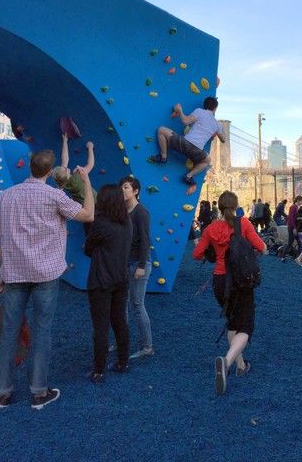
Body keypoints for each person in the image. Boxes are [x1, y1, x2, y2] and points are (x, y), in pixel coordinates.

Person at [0, 150, 94, 410]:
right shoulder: (55, 196)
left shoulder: (6, 196)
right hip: (45, 274)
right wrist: (87, 182)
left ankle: (2, 392)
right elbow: (88, 215)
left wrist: (3, 270)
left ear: (29, 166)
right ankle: (38, 392)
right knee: (42, 329)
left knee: (7, 332)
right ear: (49, 172)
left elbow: (1, 236)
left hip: (14, 273)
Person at [191, 191, 266, 395]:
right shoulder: (244, 225)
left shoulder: (211, 228)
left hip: (220, 280)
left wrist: (204, 246)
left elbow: (197, 255)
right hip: (241, 279)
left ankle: (240, 366)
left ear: (220, 208)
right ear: (236, 206)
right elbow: (262, 247)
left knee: (232, 322)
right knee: (246, 327)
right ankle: (227, 362)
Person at [84, 185, 133, 383]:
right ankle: (122, 361)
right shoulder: (127, 222)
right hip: (120, 279)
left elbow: (88, 249)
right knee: (119, 321)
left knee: (101, 326)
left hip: (101, 281)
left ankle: (98, 370)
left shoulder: (101, 223)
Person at [149, 96, 225, 188]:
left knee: (161, 130)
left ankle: (163, 156)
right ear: (215, 108)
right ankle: (189, 176)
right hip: (196, 152)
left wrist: (180, 110)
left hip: (184, 144)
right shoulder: (217, 125)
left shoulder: (200, 111)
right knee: (207, 161)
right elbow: (223, 140)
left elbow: (185, 121)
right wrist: (220, 129)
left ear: (204, 106)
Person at [120, 176, 154, 361]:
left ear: (135, 191)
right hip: (125, 264)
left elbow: (145, 240)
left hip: (138, 264)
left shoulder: (141, 212)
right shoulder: (123, 211)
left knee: (137, 304)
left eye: (126, 187)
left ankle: (147, 346)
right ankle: (121, 340)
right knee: (121, 304)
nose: (123, 190)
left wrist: (141, 265)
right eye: (122, 187)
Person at [50, 134, 96, 206]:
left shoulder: (62, 185)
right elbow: (90, 164)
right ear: (67, 171)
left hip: (84, 204)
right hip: (94, 199)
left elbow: (65, 159)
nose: (64, 166)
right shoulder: (78, 176)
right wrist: (90, 147)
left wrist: (65, 141)